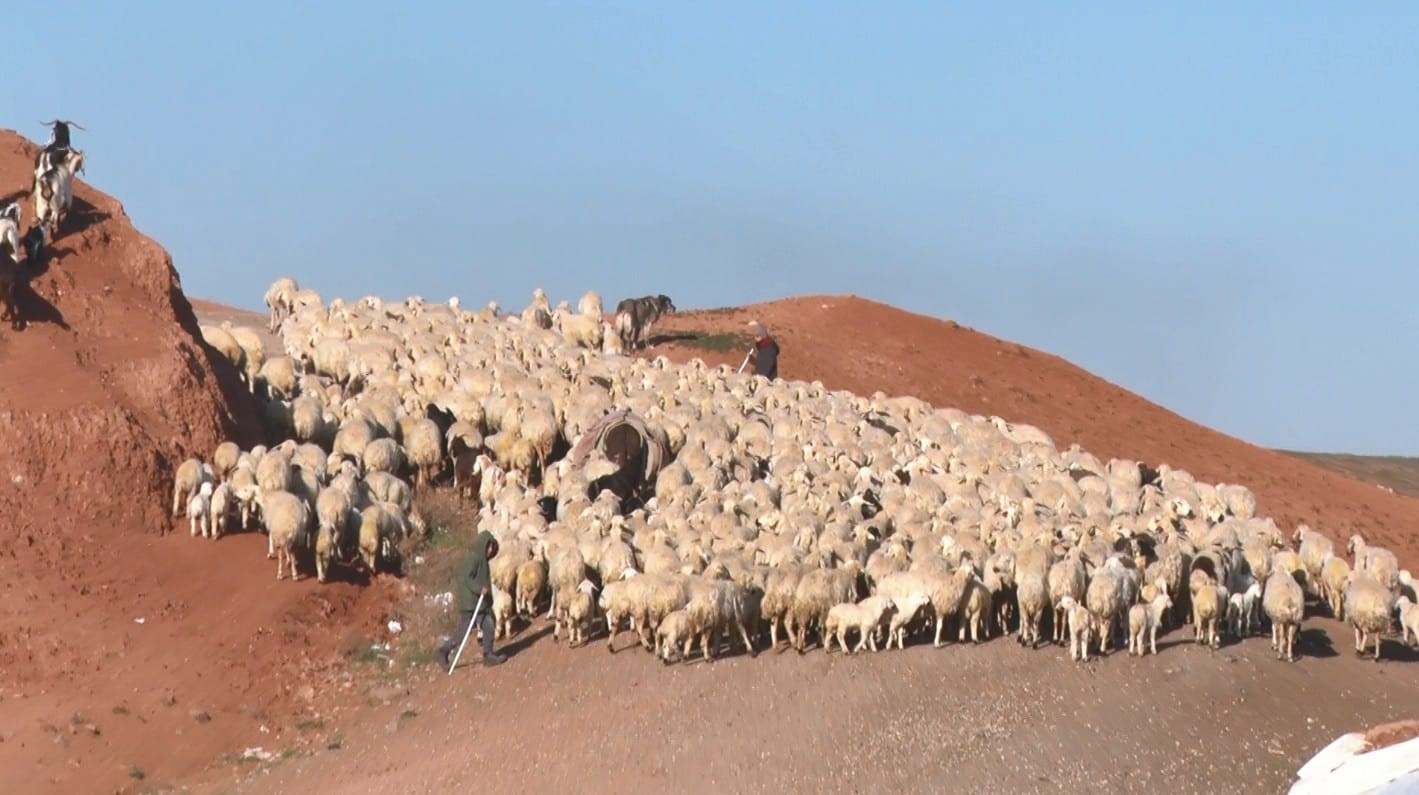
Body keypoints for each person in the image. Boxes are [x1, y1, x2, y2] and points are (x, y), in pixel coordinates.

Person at [438, 529, 506, 668]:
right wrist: (478, 589)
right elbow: (464, 577)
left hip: (481, 603)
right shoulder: (473, 558)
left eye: (492, 547)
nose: (491, 549)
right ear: (484, 546)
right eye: (489, 546)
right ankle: (443, 651)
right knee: (463, 632)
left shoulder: (483, 561)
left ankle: (488, 655)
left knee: (488, 626)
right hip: (471, 603)